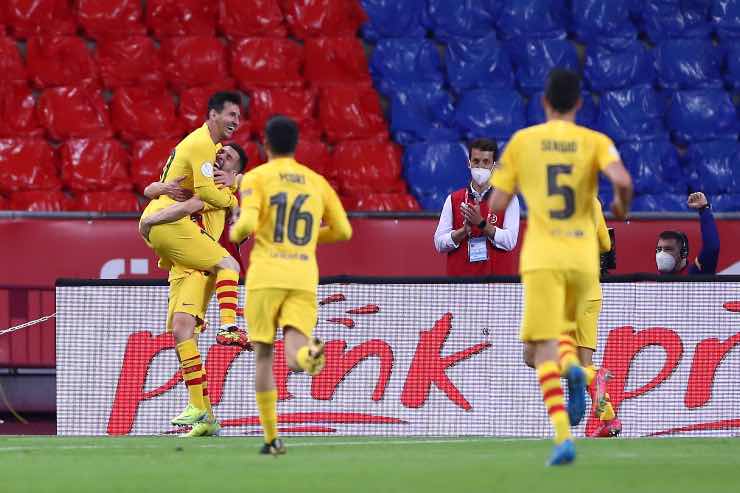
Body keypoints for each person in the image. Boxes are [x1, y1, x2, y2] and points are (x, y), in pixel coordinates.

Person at [489, 69, 633, 465]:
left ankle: (564, 435)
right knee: (552, 346)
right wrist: (621, 206)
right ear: (579, 104)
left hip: (542, 259)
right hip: (583, 261)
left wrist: (514, 188)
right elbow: (622, 180)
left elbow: (498, 205)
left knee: (538, 352)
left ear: (544, 102)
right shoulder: (595, 141)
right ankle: (581, 375)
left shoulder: (524, 141)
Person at [230, 115, 352, 455]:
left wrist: (237, 230)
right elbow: (343, 231)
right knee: (295, 357)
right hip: (302, 277)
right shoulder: (316, 182)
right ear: (296, 145)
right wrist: (310, 239)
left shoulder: (256, 177)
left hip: (267, 276)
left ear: (265, 144)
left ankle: (272, 439)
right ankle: (310, 353)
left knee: (264, 357)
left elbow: (249, 221)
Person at [139, 91, 245, 428]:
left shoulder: (226, 183)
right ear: (213, 114)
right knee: (183, 329)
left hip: (195, 255)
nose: (221, 159)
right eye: (230, 115)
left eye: (228, 159)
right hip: (187, 248)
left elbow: (194, 201)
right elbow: (190, 198)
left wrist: (236, 187)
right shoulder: (204, 152)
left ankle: (204, 415)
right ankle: (202, 408)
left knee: (184, 329)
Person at [523, 198, 622, 438]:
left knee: (530, 356)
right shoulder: (594, 203)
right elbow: (606, 244)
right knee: (585, 364)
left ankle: (589, 376)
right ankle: (609, 419)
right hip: (591, 293)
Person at [433, 138, 520, 276]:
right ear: (469, 163)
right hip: (461, 285)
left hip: (497, 286)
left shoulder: (508, 199)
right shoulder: (453, 199)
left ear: (494, 166)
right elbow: (439, 243)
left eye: (486, 162)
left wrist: (482, 224)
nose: (480, 166)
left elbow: (510, 241)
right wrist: (462, 231)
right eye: (476, 161)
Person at [656, 192, 720, 275]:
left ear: (683, 253)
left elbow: (712, 247)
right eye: (659, 250)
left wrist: (704, 209)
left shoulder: (695, 274)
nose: (662, 254)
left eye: (668, 249)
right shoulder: (659, 279)